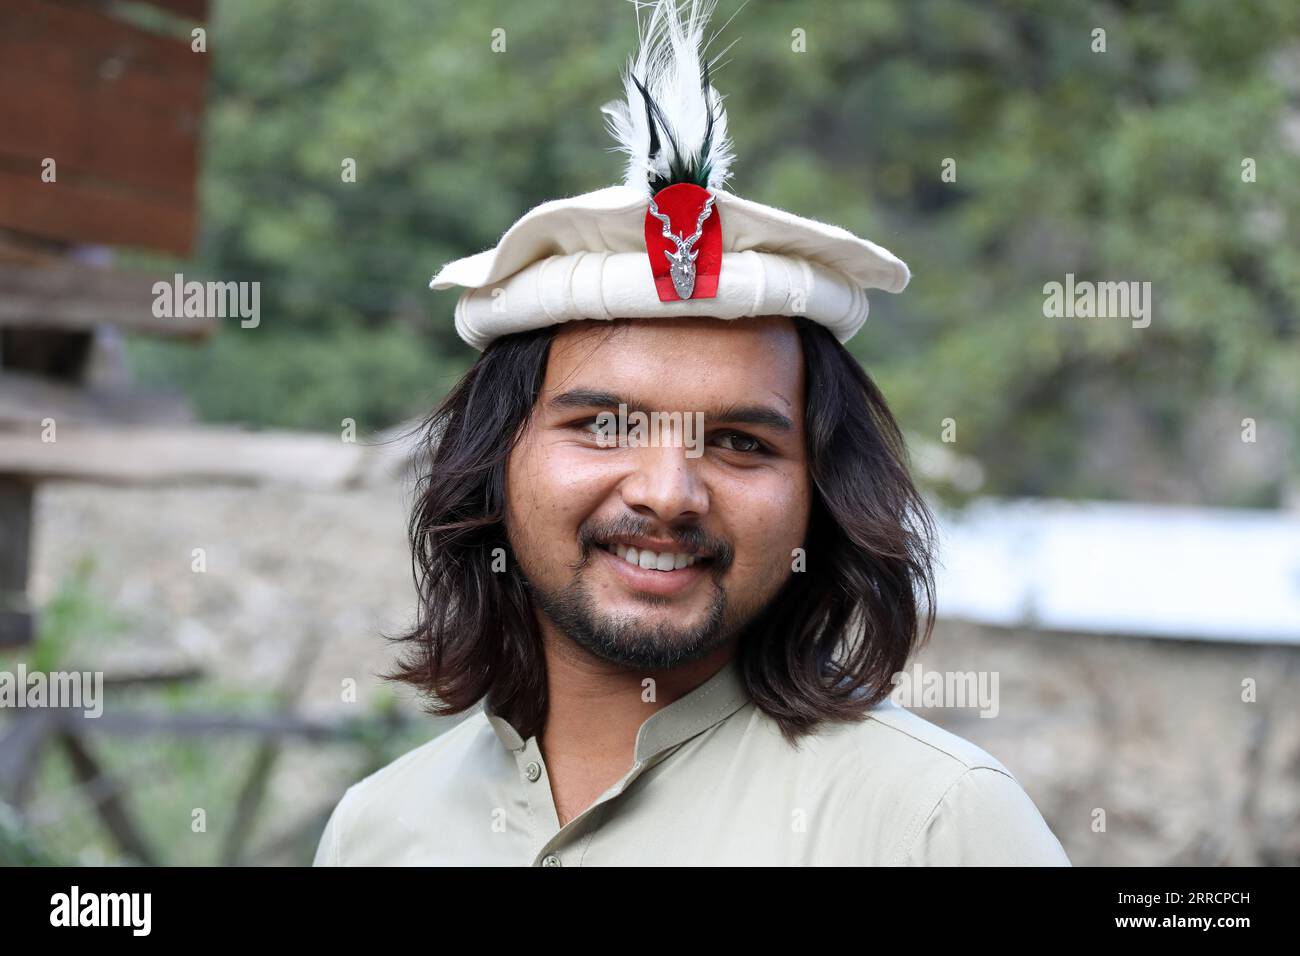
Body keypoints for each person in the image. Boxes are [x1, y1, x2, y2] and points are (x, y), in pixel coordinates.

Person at [314, 0, 1069, 867]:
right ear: (493, 459)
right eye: (604, 426)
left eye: (744, 443)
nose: (668, 493)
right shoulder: (377, 833)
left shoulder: (935, 825)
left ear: (819, 495)